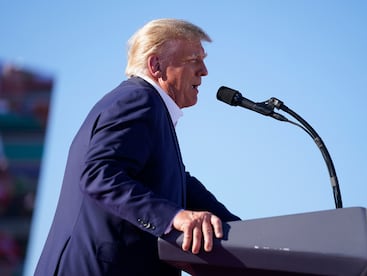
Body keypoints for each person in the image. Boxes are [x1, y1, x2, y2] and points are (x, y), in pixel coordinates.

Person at [34, 18, 240, 276]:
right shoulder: (139, 100)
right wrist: (173, 217)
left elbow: (180, 187)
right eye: (193, 60)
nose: (204, 70)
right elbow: (100, 175)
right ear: (156, 65)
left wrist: (250, 236)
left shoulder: (149, 107)